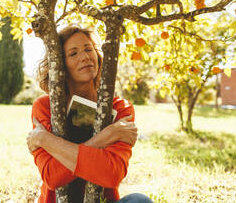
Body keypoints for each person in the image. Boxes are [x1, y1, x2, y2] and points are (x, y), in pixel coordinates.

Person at [27, 25, 153, 203]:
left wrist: (45, 140)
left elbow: (112, 174)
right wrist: (106, 137)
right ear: (60, 63)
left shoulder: (121, 109)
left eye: (88, 49)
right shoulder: (45, 107)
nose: (85, 57)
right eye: (73, 53)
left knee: (139, 201)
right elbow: (52, 177)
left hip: (102, 200)